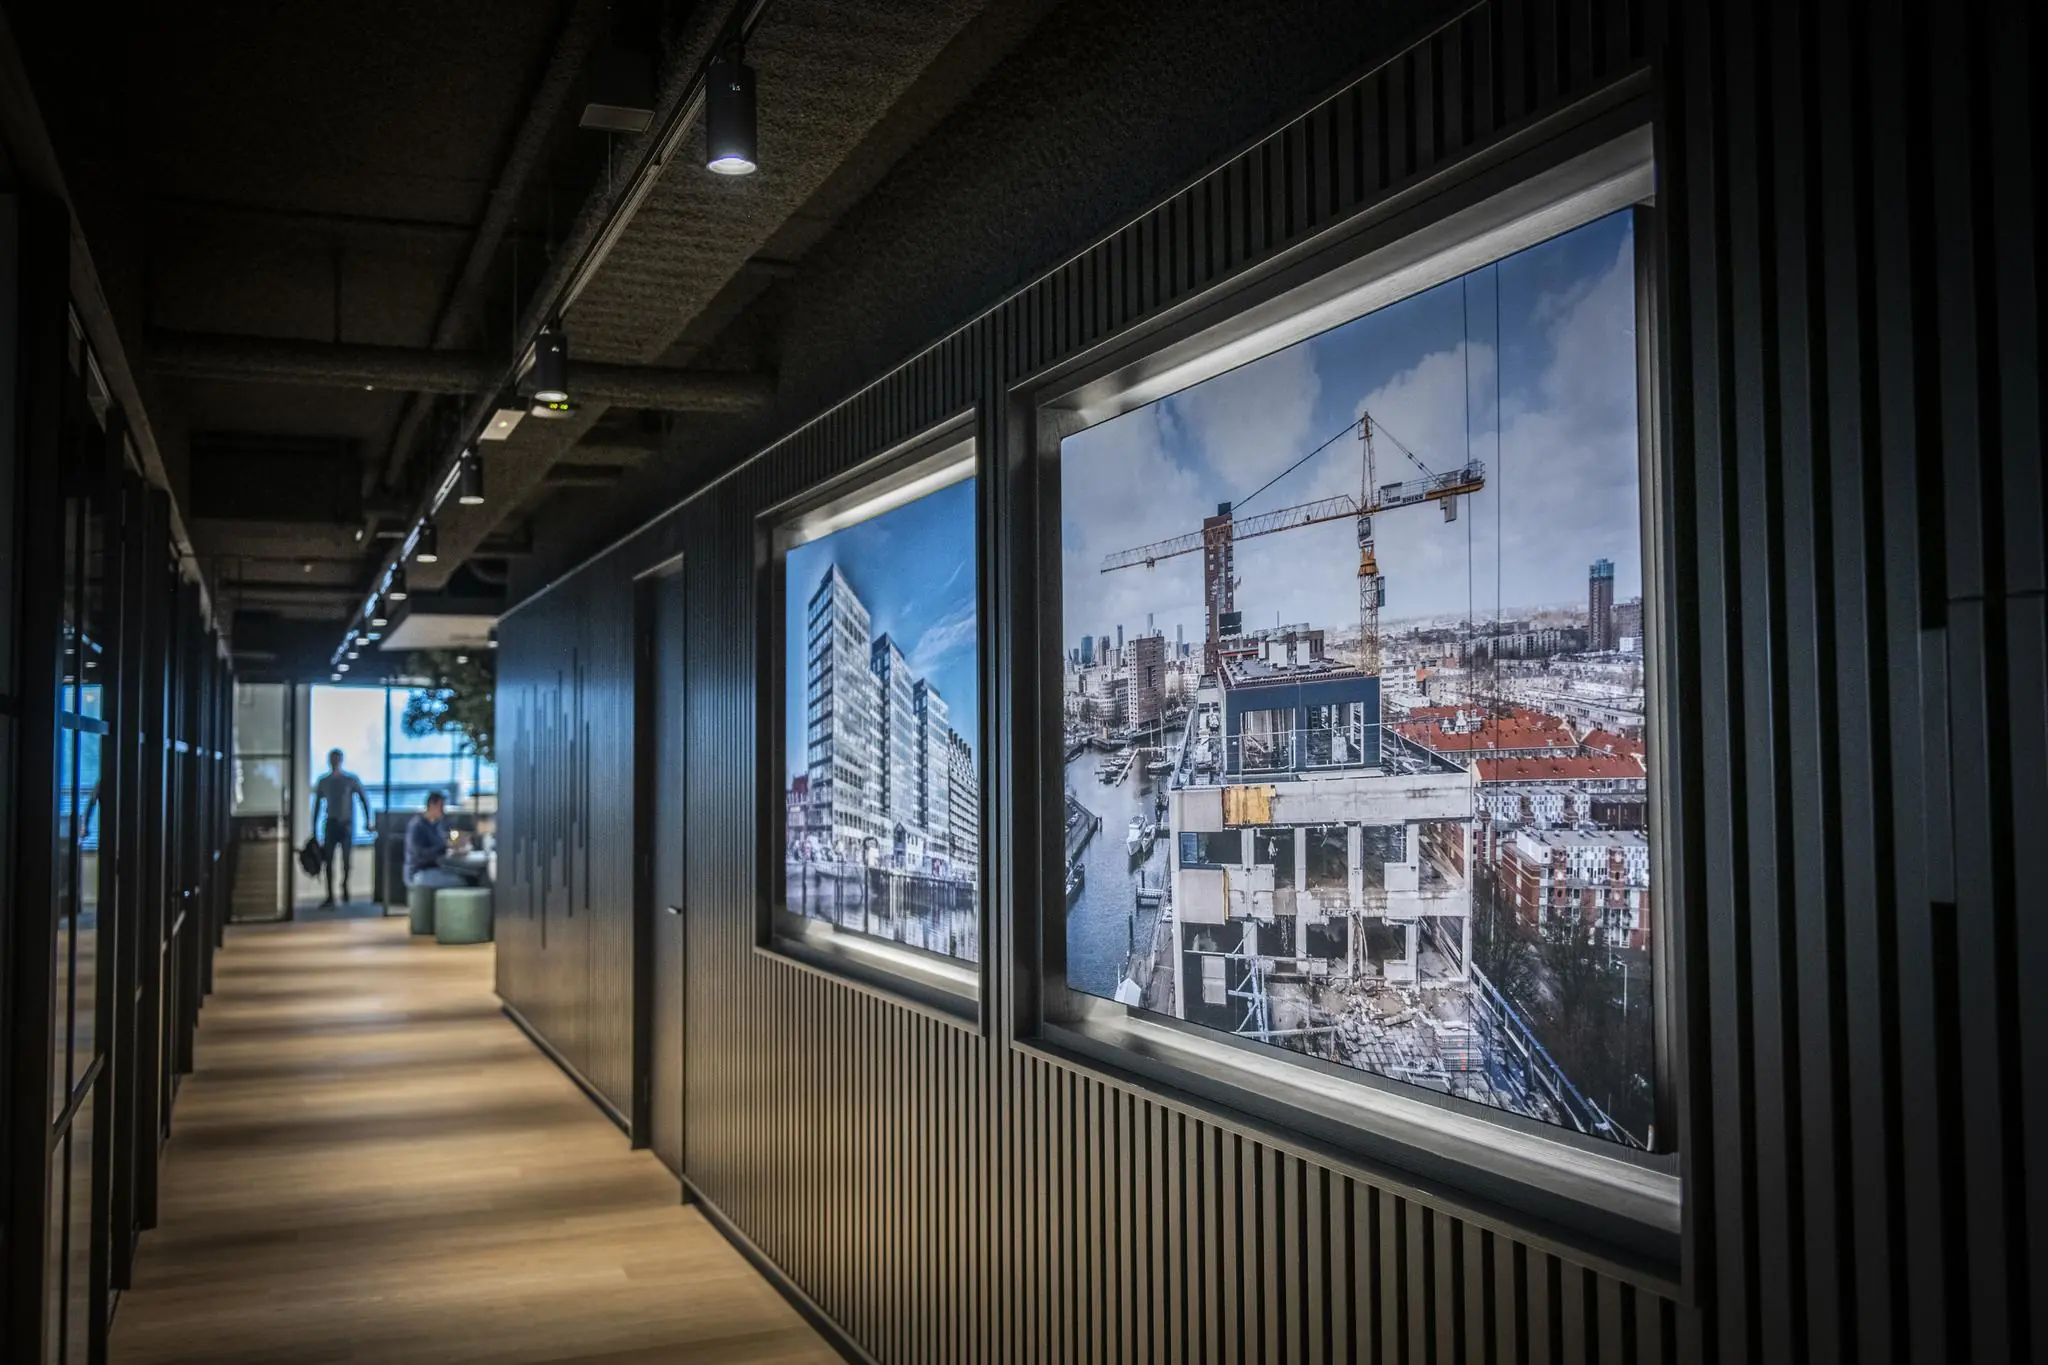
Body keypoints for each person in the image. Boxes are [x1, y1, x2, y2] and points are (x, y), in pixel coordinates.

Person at [311, 749, 373, 906]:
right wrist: (313, 828)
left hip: (346, 824)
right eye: (333, 759)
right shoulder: (324, 781)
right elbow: (317, 806)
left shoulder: (350, 780)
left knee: (346, 861)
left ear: (341, 761)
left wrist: (368, 821)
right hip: (331, 823)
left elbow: (363, 799)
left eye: (337, 759)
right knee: (328, 861)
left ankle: (344, 886)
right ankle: (330, 895)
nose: (335, 762)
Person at [405, 791, 471, 889]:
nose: (443, 810)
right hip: (419, 872)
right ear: (432, 805)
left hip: (434, 868)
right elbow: (420, 854)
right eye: (441, 806)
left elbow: (443, 844)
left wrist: (454, 847)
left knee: (466, 875)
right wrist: (445, 847)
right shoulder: (417, 826)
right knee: (459, 881)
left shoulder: (437, 825)